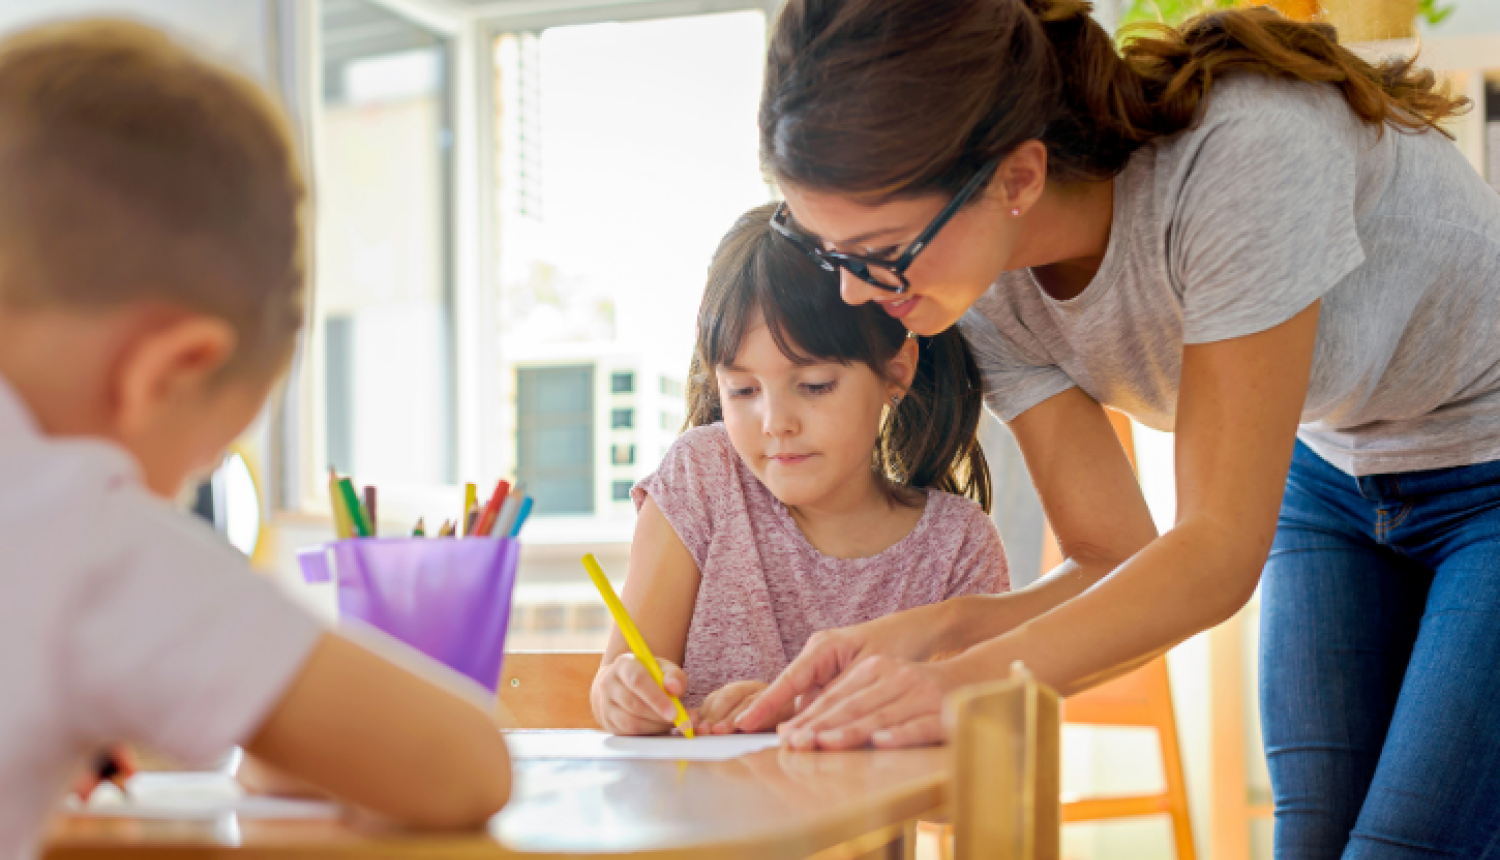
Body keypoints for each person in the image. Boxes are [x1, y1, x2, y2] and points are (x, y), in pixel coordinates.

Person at [732, 1, 1500, 856]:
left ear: (1017, 179)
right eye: (835, 253)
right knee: (1313, 841)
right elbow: (1116, 554)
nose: (855, 293)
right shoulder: (981, 292)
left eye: (880, 252)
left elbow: (1214, 552)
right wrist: (928, 638)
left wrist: (965, 684)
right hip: (1335, 470)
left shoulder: (1244, 157)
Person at [0, 21, 510, 858]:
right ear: (164, 373)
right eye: (193, 467)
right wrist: (289, 730)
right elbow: (464, 766)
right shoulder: (80, 527)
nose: (169, 499)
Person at [589, 204, 1008, 736]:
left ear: (895, 373)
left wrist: (799, 716)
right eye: (742, 391)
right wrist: (620, 694)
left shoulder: (958, 546)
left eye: (813, 386)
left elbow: (980, 746)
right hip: (692, 815)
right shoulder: (702, 476)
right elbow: (619, 682)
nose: (775, 423)